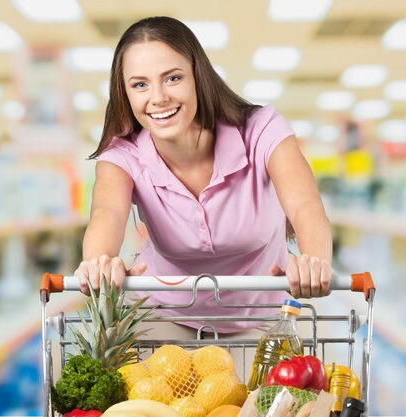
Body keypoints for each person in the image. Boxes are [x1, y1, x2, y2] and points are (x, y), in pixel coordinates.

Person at [74, 16, 333, 333]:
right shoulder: (123, 156)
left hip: (267, 318)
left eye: (172, 78)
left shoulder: (261, 130)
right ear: (125, 93)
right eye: (140, 84)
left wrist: (314, 261)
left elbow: (305, 205)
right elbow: (107, 213)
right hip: (163, 316)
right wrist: (98, 262)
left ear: (198, 76)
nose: (158, 97)